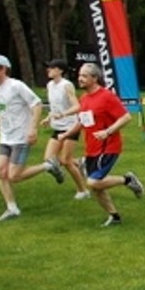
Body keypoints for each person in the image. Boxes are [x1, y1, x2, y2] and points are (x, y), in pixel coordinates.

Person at [56, 62, 144, 226]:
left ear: (95, 78)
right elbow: (82, 121)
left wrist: (108, 132)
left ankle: (127, 180)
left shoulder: (107, 97)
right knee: (97, 188)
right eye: (80, 75)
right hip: (92, 149)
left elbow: (126, 117)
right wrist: (66, 135)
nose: (80, 79)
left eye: (84, 76)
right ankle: (114, 216)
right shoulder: (84, 99)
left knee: (93, 182)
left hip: (108, 146)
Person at [0, 55, 65, 222]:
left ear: (3, 69)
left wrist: (33, 129)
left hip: (20, 138)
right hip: (5, 137)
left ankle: (48, 166)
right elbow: (3, 113)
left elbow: (37, 104)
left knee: (14, 176)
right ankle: (12, 208)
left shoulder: (16, 86)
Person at [42, 59, 89, 199]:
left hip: (71, 126)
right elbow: (54, 107)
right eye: (48, 68)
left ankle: (83, 191)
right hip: (57, 127)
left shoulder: (67, 85)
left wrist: (63, 114)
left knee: (65, 161)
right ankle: (80, 163)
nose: (48, 70)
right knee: (49, 160)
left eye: (52, 68)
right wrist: (48, 117)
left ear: (60, 71)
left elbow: (77, 106)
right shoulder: (50, 85)